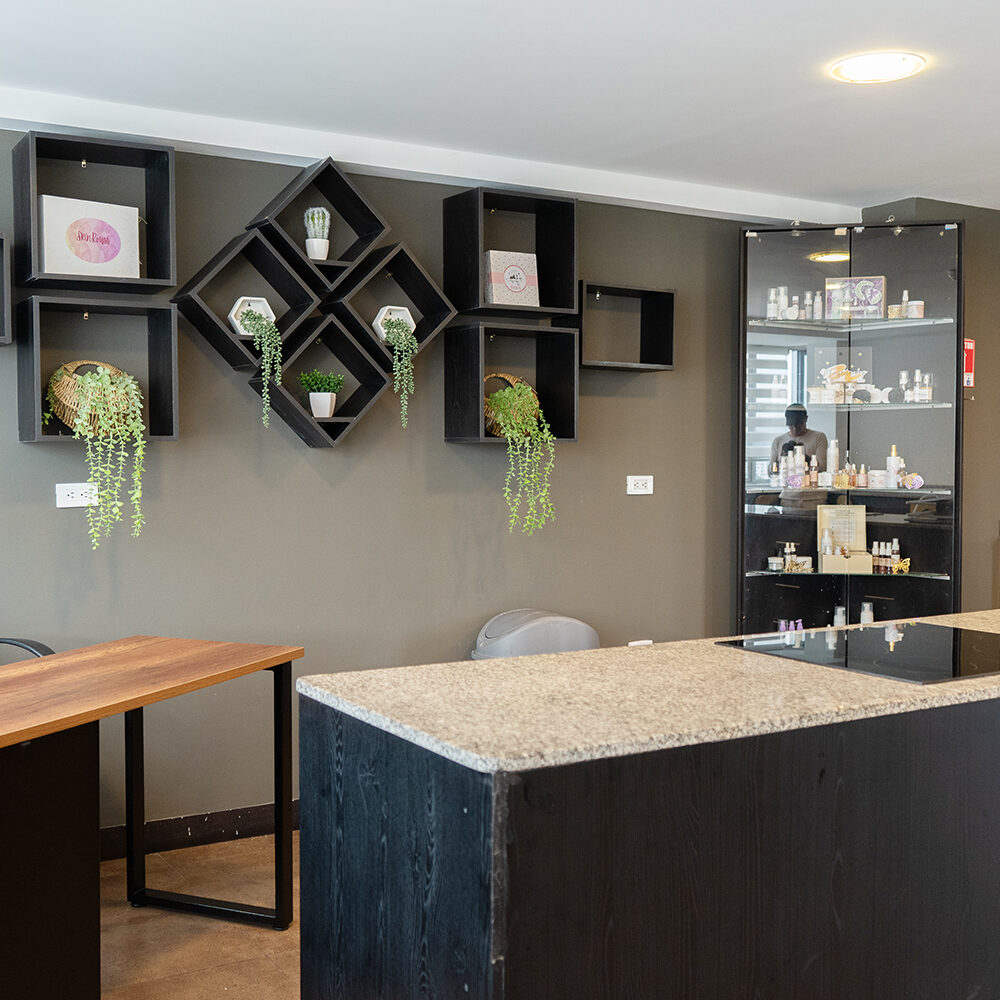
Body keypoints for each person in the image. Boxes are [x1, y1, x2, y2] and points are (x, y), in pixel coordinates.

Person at [770, 403, 828, 471]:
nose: (795, 429)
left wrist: (803, 457)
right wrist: (782, 459)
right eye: (791, 425)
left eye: (798, 425)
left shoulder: (818, 438)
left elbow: (822, 467)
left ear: (806, 419)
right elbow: (770, 470)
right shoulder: (778, 441)